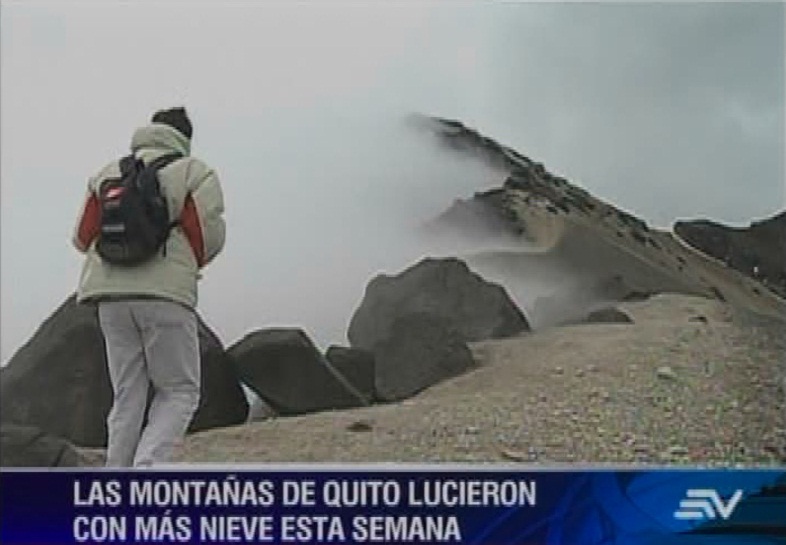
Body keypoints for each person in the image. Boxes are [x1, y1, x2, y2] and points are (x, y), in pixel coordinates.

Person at [72, 107, 226, 467]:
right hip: (164, 297)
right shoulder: (193, 171)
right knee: (179, 390)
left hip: (109, 297)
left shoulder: (109, 172)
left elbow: (82, 237)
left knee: (128, 393)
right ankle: (148, 472)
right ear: (185, 137)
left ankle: (117, 478)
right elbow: (206, 237)